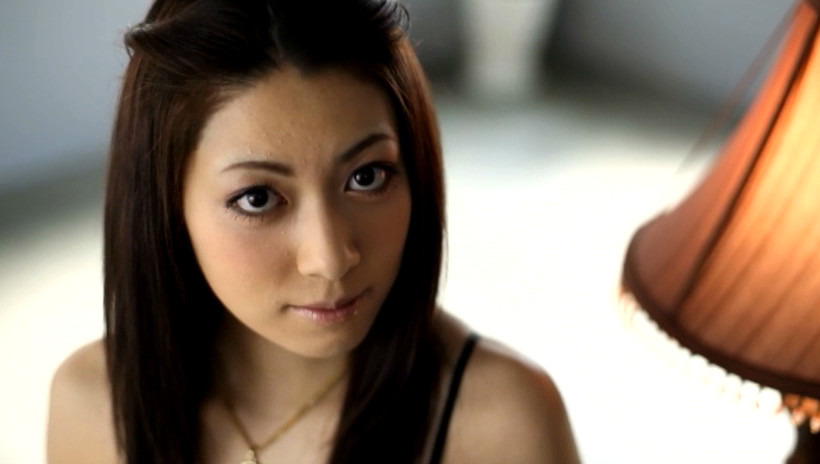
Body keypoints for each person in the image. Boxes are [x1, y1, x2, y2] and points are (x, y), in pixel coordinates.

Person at [46, 1, 579, 463]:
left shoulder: (502, 423)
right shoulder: (91, 406)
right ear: (164, 203)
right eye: (258, 198)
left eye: (366, 177)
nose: (331, 258)